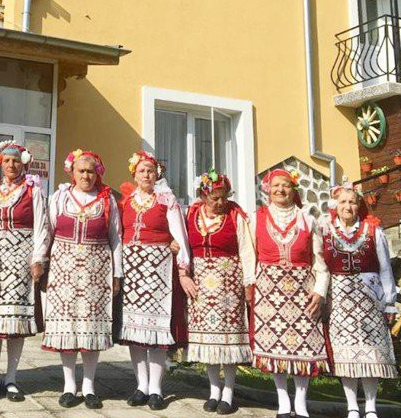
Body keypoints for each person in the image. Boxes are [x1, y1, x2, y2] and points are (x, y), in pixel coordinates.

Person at [40, 149, 122, 410]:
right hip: (63, 272)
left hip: (96, 273)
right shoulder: (60, 197)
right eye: (81, 171)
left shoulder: (107, 200)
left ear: (97, 174)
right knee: (66, 329)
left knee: (91, 329)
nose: (86, 176)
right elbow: (47, 230)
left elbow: (116, 237)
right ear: (72, 173)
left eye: (90, 171)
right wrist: (41, 262)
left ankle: (89, 386)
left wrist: (117, 273)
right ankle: (68, 386)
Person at [117, 151, 194, 411]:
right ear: (134, 175)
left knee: (158, 331)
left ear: (157, 174)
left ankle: (157, 389)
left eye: (150, 170)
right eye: (141, 171)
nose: (146, 175)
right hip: (132, 270)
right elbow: (118, 233)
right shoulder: (126, 201)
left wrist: (183, 266)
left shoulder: (166, 200)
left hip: (159, 269)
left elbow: (180, 236)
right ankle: (141, 386)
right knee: (134, 331)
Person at [250, 169, 329, 418]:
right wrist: (251, 287)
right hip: (269, 291)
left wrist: (319, 291)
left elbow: (320, 262)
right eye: (276, 186)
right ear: (268, 190)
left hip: (302, 291)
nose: (280, 190)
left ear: (293, 190)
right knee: (275, 348)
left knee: (303, 347)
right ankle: (283, 400)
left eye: (285, 185)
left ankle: (301, 403)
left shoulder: (307, 220)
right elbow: (250, 256)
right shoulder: (257, 218)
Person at [0, 140, 50, 402]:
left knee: (16, 322)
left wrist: (38, 258)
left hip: (21, 260)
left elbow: (42, 225)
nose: (11, 165)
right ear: (1, 163)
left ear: (23, 164)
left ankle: (11, 378)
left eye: (16, 161)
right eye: (7, 161)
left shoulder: (33, 189)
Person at [322, 182, 398, 418]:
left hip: (369, 298)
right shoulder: (325, 230)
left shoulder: (373, 230)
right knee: (344, 354)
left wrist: (390, 302)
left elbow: (385, 268)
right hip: (339, 299)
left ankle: (371, 407)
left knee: (371, 353)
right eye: (343, 202)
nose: (348, 207)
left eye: (352, 202)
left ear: (359, 206)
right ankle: (352, 406)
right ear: (335, 206)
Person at [184, 171, 255, 414]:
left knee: (229, 342)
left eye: (224, 197)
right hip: (201, 285)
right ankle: (214, 390)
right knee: (208, 342)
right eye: (215, 198)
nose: (221, 202)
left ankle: (229, 392)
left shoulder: (236, 216)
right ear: (204, 196)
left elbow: (246, 251)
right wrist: (184, 273)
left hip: (228, 284)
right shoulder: (192, 213)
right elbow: (183, 245)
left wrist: (248, 284)